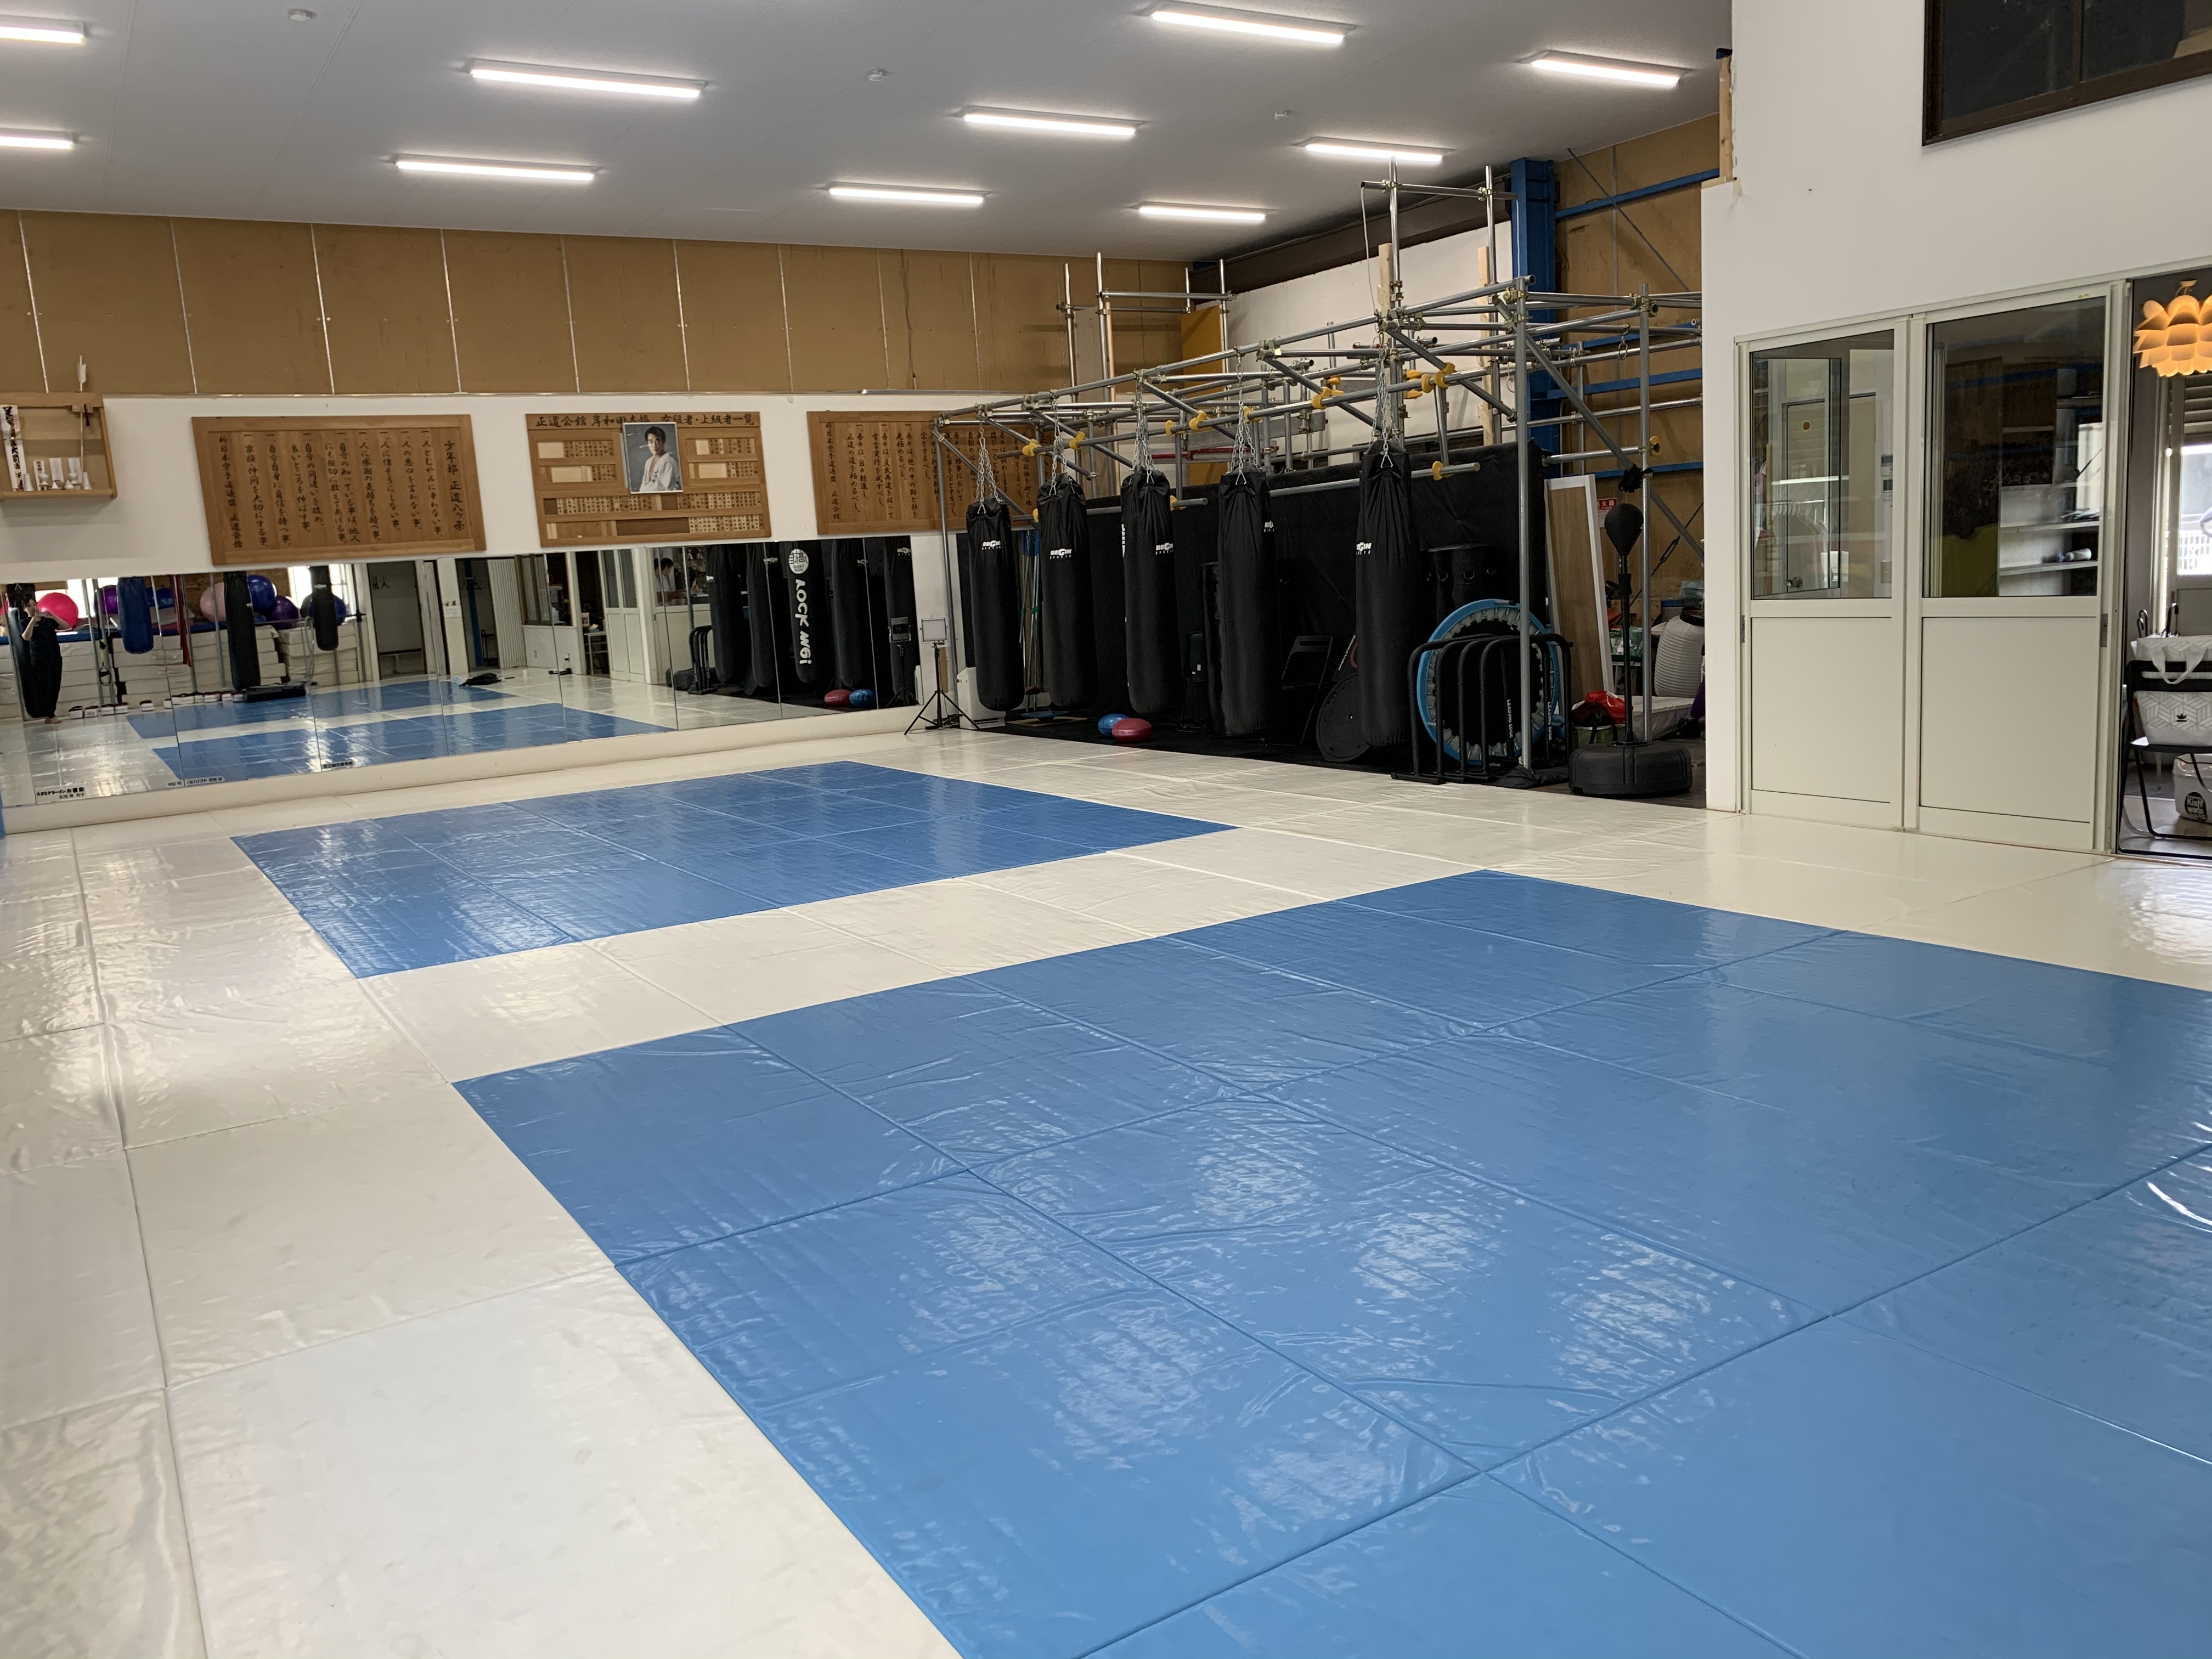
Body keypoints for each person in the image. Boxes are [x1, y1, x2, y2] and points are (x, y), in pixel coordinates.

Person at [22, 608, 63, 721]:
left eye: (34, 604)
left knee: (55, 685)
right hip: (39, 658)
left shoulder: (48, 620)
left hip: (54, 655)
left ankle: (50, 713)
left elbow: (65, 626)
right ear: (25, 609)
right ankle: (50, 714)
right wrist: (33, 621)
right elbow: (26, 637)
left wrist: (54, 617)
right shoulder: (25, 622)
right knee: (45, 686)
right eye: (30, 606)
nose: (33, 607)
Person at [636, 425, 680, 494]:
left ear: (663, 442)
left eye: (658, 441)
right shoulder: (649, 462)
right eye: (651, 442)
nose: (654, 446)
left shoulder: (669, 462)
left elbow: (672, 490)